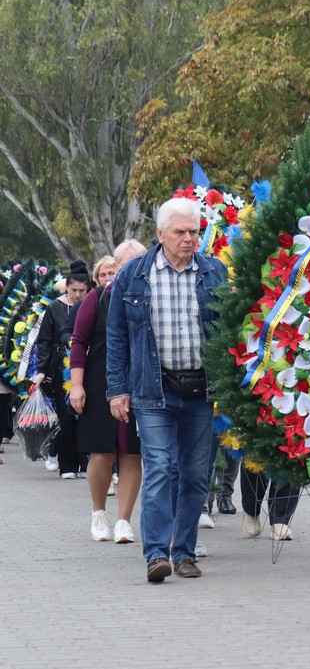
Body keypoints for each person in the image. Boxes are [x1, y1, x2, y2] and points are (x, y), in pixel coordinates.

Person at [107, 198, 228, 582]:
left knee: (194, 476)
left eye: (194, 232)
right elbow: (116, 336)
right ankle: (156, 554)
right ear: (160, 234)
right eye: (180, 232)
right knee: (160, 468)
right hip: (153, 390)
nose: (189, 239)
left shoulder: (214, 273)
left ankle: (185, 552)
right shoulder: (134, 276)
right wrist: (117, 389)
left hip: (200, 390)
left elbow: (228, 331)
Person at [70, 241, 146, 543]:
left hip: (139, 382)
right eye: (122, 267)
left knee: (131, 453)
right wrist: (76, 385)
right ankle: (99, 513)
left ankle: (124, 521)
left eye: (135, 265)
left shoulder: (148, 295)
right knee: (102, 452)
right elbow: (79, 341)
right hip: (100, 382)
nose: (128, 272)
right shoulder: (98, 297)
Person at [35, 259, 90, 478]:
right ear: (66, 287)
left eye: (82, 290)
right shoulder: (54, 308)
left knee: (86, 414)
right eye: (74, 290)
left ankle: (85, 463)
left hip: (87, 364)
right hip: (61, 366)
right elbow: (44, 340)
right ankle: (67, 465)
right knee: (66, 417)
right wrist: (41, 370)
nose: (78, 294)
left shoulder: (91, 305)